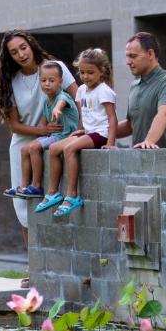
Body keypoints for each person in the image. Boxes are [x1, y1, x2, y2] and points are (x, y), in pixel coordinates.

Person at [0, 30, 77, 247]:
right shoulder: (11, 81)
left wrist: (82, 131)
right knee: (24, 206)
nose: (21, 54)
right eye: (14, 52)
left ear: (30, 45)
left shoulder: (55, 68)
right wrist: (41, 131)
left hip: (58, 139)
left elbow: (79, 99)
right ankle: (32, 266)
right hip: (24, 143)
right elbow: (14, 125)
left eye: (23, 47)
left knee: (54, 198)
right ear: (9, 57)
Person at [38, 48, 117, 217]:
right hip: (88, 133)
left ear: (101, 71)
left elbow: (112, 118)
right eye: (82, 72)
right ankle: (53, 192)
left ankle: (72, 195)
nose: (85, 76)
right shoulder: (81, 90)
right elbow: (84, 114)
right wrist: (80, 130)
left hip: (101, 134)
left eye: (90, 72)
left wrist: (110, 142)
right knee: (54, 149)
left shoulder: (104, 91)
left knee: (69, 149)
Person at [9, 62, 79, 201]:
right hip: (54, 135)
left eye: (51, 80)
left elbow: (61, 104)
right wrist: (41, 131)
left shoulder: (62, 97)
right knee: (25, 149)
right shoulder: (47, 100)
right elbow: (43, 121)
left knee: (34, 147)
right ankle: (23, 186)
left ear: (60, 81)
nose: (47, 84)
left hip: (65, 136)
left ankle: (36, 185)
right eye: (43, 80)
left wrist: (57, 109)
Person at [117, 32, 166, 148]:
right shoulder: (134, 85)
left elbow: (165, 113)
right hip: (142, 161)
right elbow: (130, 125)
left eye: (133, 56)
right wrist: (94, 134)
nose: (128, 62)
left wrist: (149, 141)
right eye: (127, 56)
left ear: (150, 54)